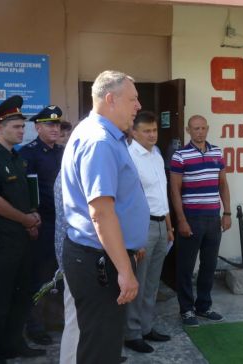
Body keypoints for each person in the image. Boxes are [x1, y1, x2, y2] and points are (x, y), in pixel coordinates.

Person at [61, 70, 149, 363]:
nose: (138, 106)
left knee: (102, 345)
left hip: (102, 256)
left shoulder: (102, 135)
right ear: (110, 99)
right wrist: (125, 270)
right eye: (133, 99)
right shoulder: (99, 141)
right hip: (101, 261)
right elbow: (101, 213)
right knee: (100, 350)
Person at [0, 95, 45, 362]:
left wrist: (32, 216)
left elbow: (22, 197)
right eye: (16, 126)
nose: (21, 131)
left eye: (21, 126)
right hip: (0, 244)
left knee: (20, 299)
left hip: (22, 241)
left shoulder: (16, 158)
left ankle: (13, 345)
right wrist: (26, 220)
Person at [170, 114, 231, 327]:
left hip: (213, 218)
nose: (199, 132)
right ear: (188, 130)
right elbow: (175, 191)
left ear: (207, 129)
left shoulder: (216, 152)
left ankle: (203, 306)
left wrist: (227, 213)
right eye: (195, 128)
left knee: (209, 265)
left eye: (203, 128)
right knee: (186, 267)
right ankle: (186, 310)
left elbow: (223, 184)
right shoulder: (180, 155)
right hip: (191, 219)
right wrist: (181, 220)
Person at [124, 111, 173, 353]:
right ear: (134, 132)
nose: (152, 135)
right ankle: (132, 333)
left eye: (154, 130)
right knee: (138, 283)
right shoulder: (129, 156)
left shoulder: (156, 155)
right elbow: (128, 200)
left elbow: (160, 193)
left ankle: (146, 327)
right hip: (141, 227)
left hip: (161, 224)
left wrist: (169, 224)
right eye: (147, 131)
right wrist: (134, 238)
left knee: (153, 283)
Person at [19, 105, 64, 345]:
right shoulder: (28, 154)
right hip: (43, 223)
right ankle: (35, 325)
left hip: (64, 223)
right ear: (37, 127)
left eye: (57, 124)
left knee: (61, 274)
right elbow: (25, 194)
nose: (54, 128)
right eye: (49, 124)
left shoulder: (64, 152)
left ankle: (56, 318)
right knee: (41, 275)